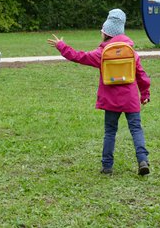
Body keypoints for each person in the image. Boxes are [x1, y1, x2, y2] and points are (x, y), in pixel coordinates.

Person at [47, 9, 151, 175]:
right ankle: (142, 160)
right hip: (131, 99)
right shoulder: (131, 52)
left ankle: (107, 166)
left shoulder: (102, 53)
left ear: (106, 33)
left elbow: (78, 56)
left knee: (110, 132)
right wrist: (145, 94)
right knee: (136, 129)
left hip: (111, 100)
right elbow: (141, 75)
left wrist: (62, 46)